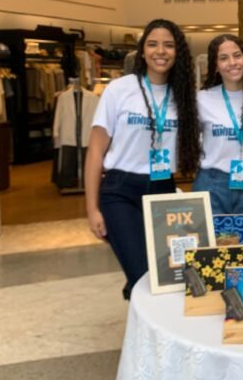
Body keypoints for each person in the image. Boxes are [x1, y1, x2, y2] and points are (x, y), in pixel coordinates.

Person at [85, 19, 200, 299]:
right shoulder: (119, 89)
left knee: (164, 275)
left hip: (162, 189)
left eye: (168, 45)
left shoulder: (183, 96)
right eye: (152, 44)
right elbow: (96, 151)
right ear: (142, 50)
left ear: (178, 52)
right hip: (120, 191)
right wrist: (92, 208)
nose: (160, 51)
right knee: (141, 274)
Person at [193, 34, 243, 236]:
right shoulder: (202, 99)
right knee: (214, 254)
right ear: (215, 66)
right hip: (213, 184)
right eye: (223, 58)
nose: (232, 63)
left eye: (237, 55)